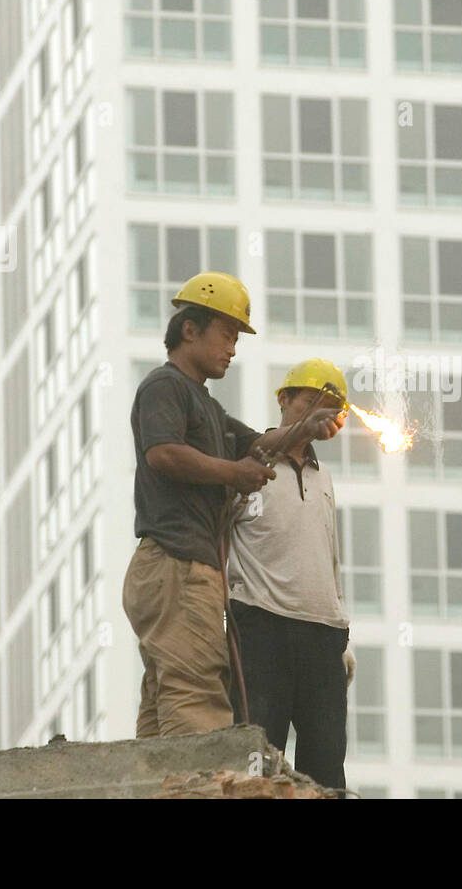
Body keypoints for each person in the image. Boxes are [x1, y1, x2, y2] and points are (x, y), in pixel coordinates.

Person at [124, 274, 342, 738]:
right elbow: (163, 453)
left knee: (166, 691)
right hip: (177, 562)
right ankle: (195, 787)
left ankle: (156, 782)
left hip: (173, 566)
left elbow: (262, 444)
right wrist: (233, 473)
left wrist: (306, 427)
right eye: (227, 334)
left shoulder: (207, 407)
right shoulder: (165, 387)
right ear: (190, 330)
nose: (233, 349)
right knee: (198, 692)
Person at [228, 358, 355, 792]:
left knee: (326, 765)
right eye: (311, 402)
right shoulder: (250, 464)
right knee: (258, 758)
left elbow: (328, 555)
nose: (322, 415)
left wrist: (342, 634)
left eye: (332, 408)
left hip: (322, 634)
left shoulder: (324, 478)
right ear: (283, 399)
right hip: (263, 628)